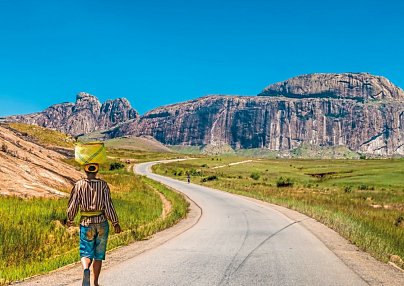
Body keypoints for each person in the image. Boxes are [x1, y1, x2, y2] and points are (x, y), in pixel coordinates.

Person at [67, 163, 121, 286]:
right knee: (98, 254)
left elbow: (73, 205)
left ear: (85, 171)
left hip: (86, 223)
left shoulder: (79, 185)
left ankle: (86, 268)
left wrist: (70, 219)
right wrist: (115, 222)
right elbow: (108, 205)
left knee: (86, 251)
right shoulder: (103, 185)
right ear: (96, 171)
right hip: (102, 223)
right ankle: (95, 282)